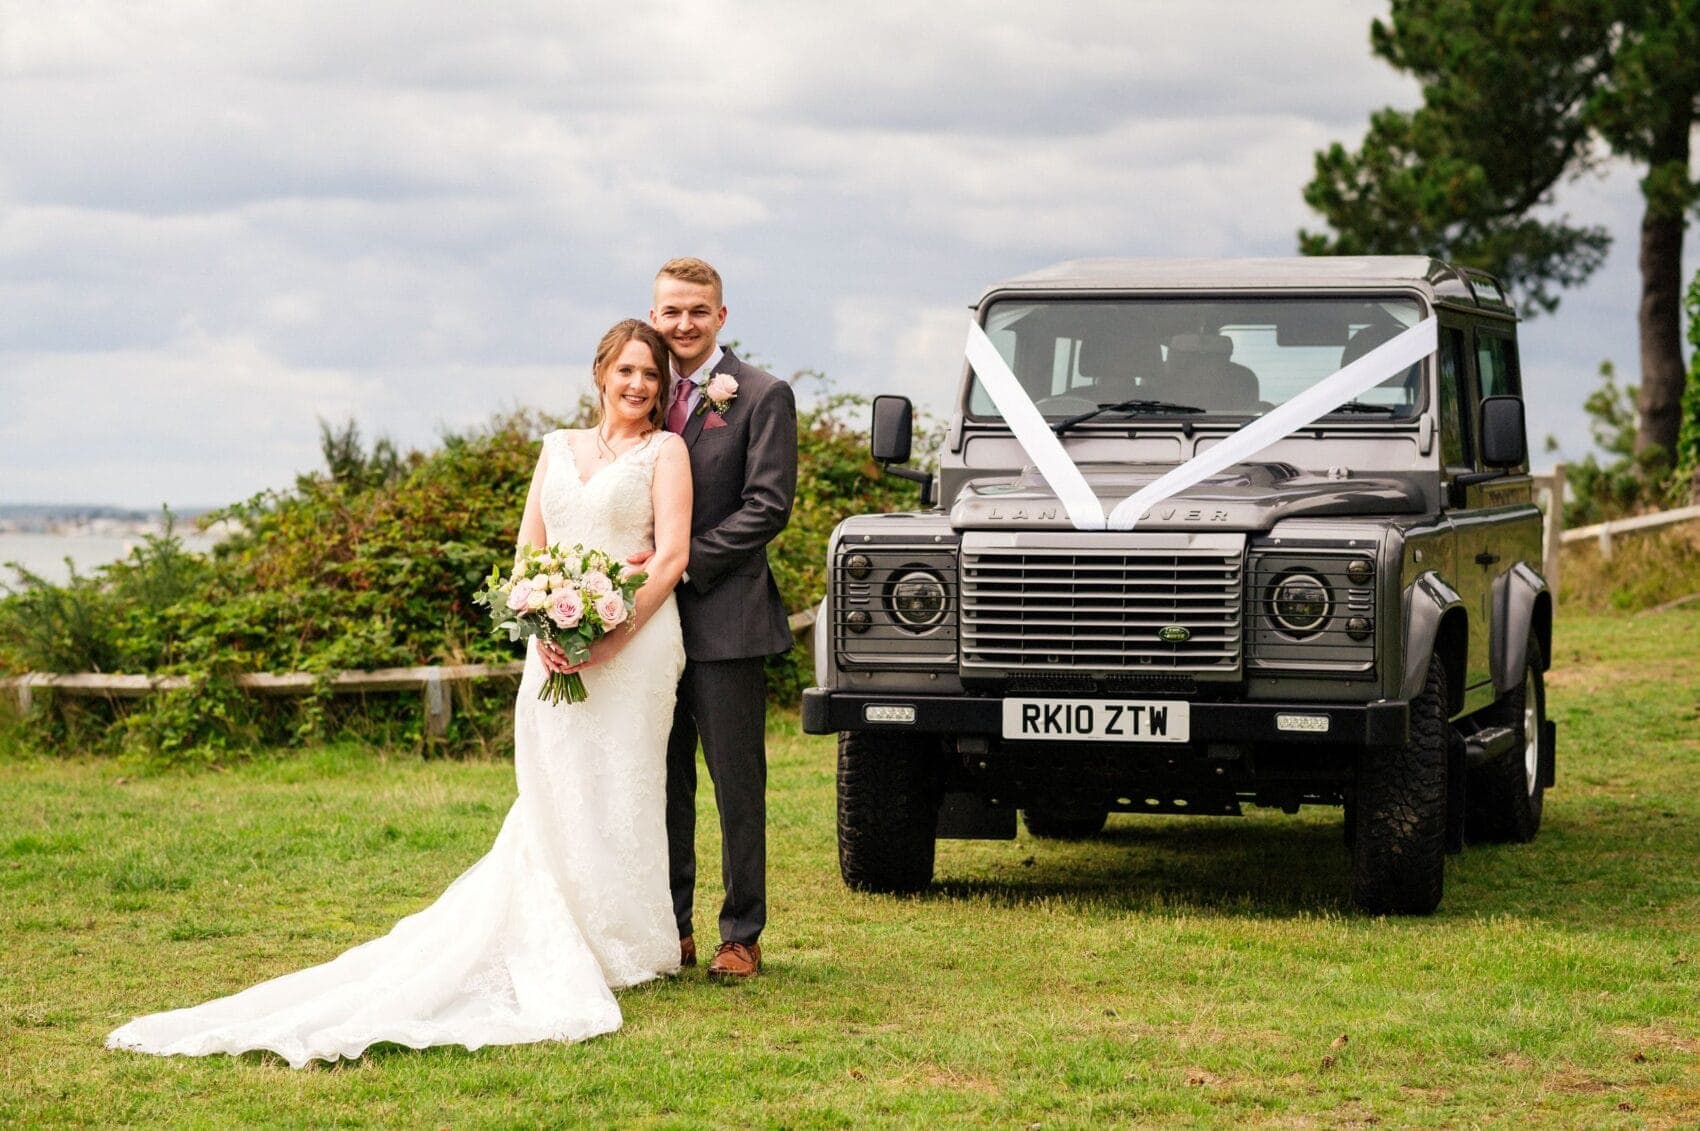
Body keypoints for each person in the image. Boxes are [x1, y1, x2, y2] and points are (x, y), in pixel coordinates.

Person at [106, 320, 694, 1068]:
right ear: (601, 371)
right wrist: (541, 617)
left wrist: (609, 634)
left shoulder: (665, 451)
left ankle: (628, 940)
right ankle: (566, 929)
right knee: (558, 782)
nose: (639, 385)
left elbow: (671, 553)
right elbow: (527, 552)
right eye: (628, 370)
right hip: (553, 644)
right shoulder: (555, 447)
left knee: (622, 782)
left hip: (636, 640)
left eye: (652, 374)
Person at [650, 257, 797, 981]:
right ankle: (669, 925)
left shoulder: (763, 395)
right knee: (660, 779)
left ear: (721, 316)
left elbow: (766, 506)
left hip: (727, 618)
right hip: (645, 626)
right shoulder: (640, 394)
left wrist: (679, 562)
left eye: (697, 311)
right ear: (655, 317)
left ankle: (741, 931)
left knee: (736, 782)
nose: (684, 323)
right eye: (671, 312)